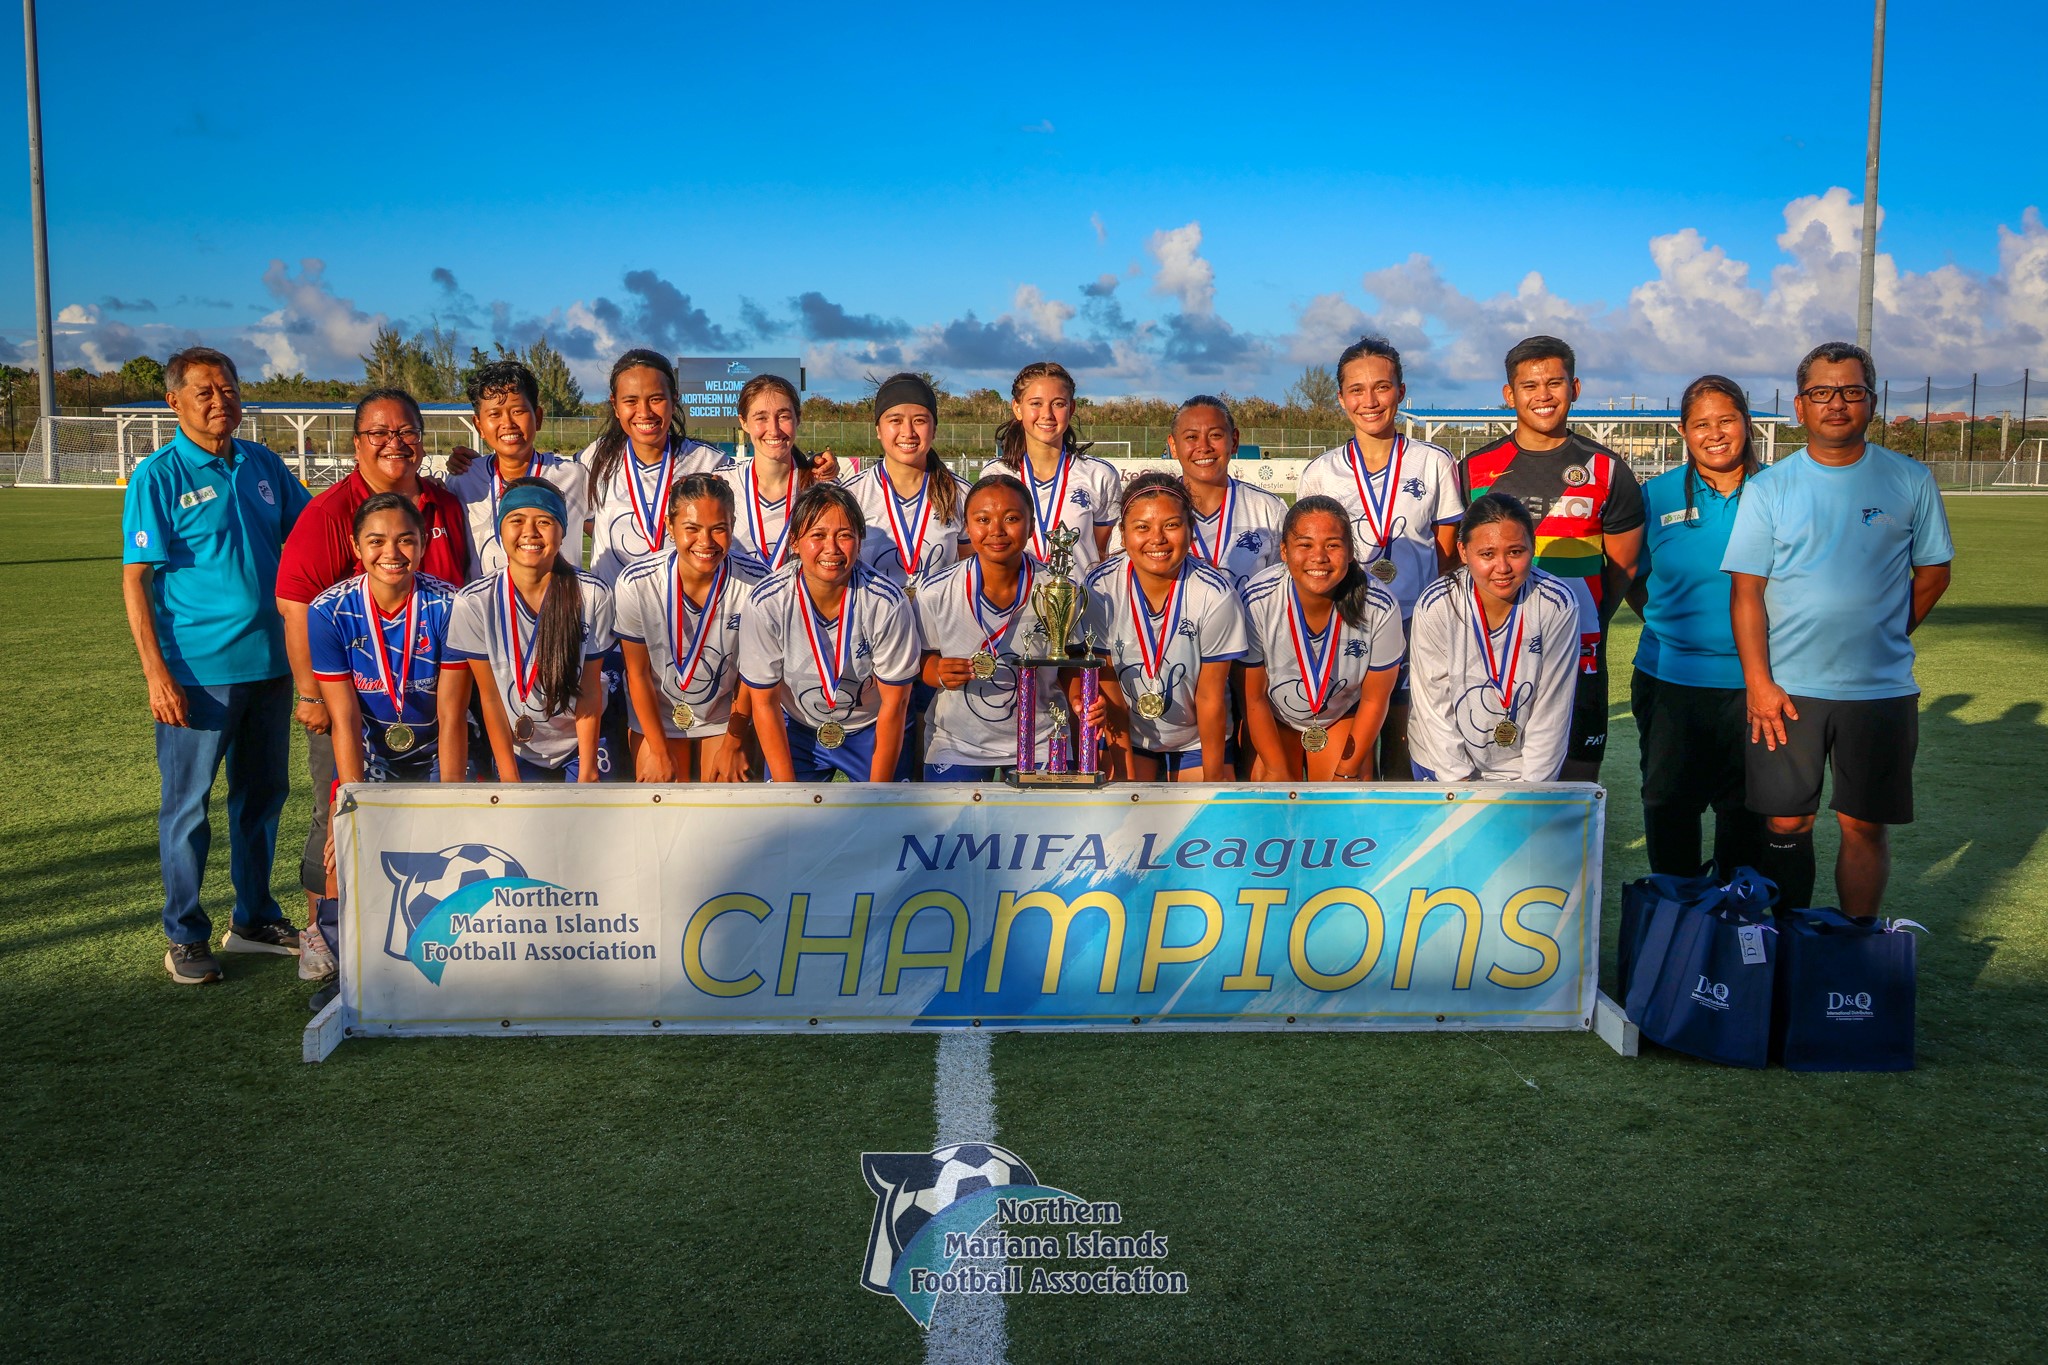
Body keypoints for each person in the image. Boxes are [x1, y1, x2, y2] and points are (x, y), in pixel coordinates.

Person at [1723, 341, 1953, 917]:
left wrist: (1888, 632)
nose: (1836, 404)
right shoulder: (1769, 487)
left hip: (1879, 690)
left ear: (1870, 402)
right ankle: (1785, 939)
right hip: (1788, 689)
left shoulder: (1909, 479)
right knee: (1786, 820)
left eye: (1851, 391)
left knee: (1863, 825)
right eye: (1822, 393)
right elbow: (1746, 591)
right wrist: (1759, 682)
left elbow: (1934, 573)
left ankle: (1854, 947)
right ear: (1800, 406)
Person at [122, 346, 311, 984]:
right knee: (188, 807)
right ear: (173, 402)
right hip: (198, 673)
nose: (219, 400)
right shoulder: (158, 475)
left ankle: (254, 918)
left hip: (272, 663)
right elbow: (136, 581)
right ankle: (185, 934)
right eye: (203, 391)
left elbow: (315, 526)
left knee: (262, 797)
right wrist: (156, 674)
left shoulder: (261, 462)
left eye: (227, 388)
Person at [275, 388, 470, 940]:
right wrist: (312, 695)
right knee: (334, 812)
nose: (394, 443)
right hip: (352, 701)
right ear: (357, 442)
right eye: (378, 433)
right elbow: (295, 606)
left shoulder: (444, 502)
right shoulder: (330, 511)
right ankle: (325, 934)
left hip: (435, 695)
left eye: (406, 431)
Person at [1458, 335, 1644, 782]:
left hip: (1581, 649)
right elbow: (1456, 560)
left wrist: (1584, 615)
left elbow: (1623, 568)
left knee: (1577, 781)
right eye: (1529, 385)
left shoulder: (1607, 469)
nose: (1543, 395)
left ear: (1575, 388)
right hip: (1494, 649)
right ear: (1509, 395)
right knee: (1492, 772)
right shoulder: (1473, 469)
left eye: (1554, 383)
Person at [304, 492, 464, 990]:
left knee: (453, 849)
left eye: (405, 540)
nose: (390, 552)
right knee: (341, 848)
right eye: (376, 541)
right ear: (356, 546)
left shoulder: (450, 604)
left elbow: (453, 714)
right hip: (370, 755)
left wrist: (451, 799)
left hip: (440, 750)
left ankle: (456, 955)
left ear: (422, 545)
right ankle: (344, 960)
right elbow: (344, 718)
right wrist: (353, 806)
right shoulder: (329, 611)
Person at [1297, 336, 1463, 780]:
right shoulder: (1320, 473)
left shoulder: (1434, 462)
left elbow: (1448, 558)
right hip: (1346, 621)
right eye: (1356, 389)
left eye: (1382, 387)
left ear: (1401, 393)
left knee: (1405, 742)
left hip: (1416, 626)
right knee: (1353, 749)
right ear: (1341, 398)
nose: (1369, 401)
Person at [1626, 374, 1767, 876]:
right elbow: (1631, 577)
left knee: (1748, 818)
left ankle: (1737, 932)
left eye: (1727, 420)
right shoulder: (1654, 495)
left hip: (1757, 688)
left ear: (1746, 423)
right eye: (1701, 423)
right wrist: (1676, 629)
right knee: (1668, 810)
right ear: (1683, 431)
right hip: (1670, 682)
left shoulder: (1780, 490)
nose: (1715, 433)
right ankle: (1677, 929)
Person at [739, 484, 921, 783]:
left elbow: (895, 702)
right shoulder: (767, 602)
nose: (832, 548)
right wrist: (788, 796)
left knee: (881, 824)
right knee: (791, 823)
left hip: (871, 726)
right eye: (818, 535)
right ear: (795, 542)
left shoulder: (886, 602)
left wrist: (879, 795)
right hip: (798, 727)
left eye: (845, 535)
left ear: (860, 541)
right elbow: (765, 702)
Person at [913, 474, 1090, 780]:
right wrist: (937, 670)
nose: (996, 530)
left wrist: (1078, 701)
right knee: (953, 829)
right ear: (967, 527)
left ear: (1032, 526)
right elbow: (922, 660)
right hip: (958, 742)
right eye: (983, 519)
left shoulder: (1058, 590)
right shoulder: (934, 591)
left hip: (1041, 740)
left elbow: (1071, 664)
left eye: (1011, 518)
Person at [1082, 472, 1252, 781]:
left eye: (1171, 525)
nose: (1157, 539)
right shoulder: (1100, 587)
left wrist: (1213, 783)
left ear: (1192, 528)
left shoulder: (1214, 593)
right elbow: (1109, 690)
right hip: (1131, 736)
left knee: (1201, 821)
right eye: (1142, 527)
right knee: (1124, 818)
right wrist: (1125, 773)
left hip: (1196, 739)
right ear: (1123, 532)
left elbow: (1210, 697)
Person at [442, 479, 614, 781]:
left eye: (545, 521)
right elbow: (491, 696)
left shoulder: (592, 594)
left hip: (582, 741)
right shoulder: (474, 601)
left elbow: (589, 688)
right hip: (515, 749)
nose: (530, 533)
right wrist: (509, 776)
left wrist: (587, 770)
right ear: (500, 530)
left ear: (562, 532)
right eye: (516, 520)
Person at [1408, 495, 1582, 783]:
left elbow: (1552, 707)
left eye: (1515, 552)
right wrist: (1460, 786)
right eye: (1487, 554)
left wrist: (1531, 791)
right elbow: (1433, 705)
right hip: (1442, 762)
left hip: (1520, 769)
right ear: (1463, 551)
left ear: (1533, 546)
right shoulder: (1437, 604)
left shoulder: (1556, 604)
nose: (1502, 567)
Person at [614, 475, 768, 782]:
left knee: (725, 800)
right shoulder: (637, 583)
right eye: (692, 529)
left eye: (718, 529)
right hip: (658, 716)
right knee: (661, 803)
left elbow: (753, 675)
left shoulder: (757, 582)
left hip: (725, 717)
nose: (706, 542)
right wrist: (658, 752)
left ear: (732, 525)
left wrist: (734, 743)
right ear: (670, 526)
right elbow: (638, 674)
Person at [1241, 496, 1405, 782]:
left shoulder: (1379, 606)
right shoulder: (1258, 600)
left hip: (1338, 715)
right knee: (1270, 797)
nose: (1319, 557)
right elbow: (1252, 697)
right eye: (1305, 545)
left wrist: (1346, 774)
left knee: (1346, 801)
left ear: (1351, 551)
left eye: (1332, 545)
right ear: (1283, 550)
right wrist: (1278, 771)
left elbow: (1375, 700)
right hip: (1274, 716)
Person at [585, 349, 733, 584]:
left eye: (656, 399)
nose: (644, 412)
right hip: (613, 615)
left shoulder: (709, 462)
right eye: (631, 401)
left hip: (685, 614)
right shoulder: (595, 458)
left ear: (674, 400)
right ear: (615, 405)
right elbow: (573, 513)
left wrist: (809, 467)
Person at [443, 360, 589, 576]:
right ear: (479, 425)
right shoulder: (463, 479)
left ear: (538, 418)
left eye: (518, 411)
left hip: (558, 605)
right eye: (494, 414)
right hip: (487, 607)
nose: (508, 423)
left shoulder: (574, 476)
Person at [991, 361, 1122, 575]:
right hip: (1017, 604)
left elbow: (1102, 552)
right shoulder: (996, 475)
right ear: (1017, 408)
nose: (1047, 414)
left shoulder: (1099, 475)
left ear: (1071, 409)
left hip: (1079, 604)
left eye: (1058, 404)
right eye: (1035, 403)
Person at [849, 372, 969, 588]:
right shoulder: (851, 495)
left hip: (939, 621)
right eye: (895, 420)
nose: (908, 432)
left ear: (934, 429)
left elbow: (972, 572)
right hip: (874, 622)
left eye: (920, 421)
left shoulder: (962, 494)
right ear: (878, 429)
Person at [1167, 395, 1285, 589]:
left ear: (1234, 440)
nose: (1204, 447)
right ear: (1173, 445)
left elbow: (1281, 593)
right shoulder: (1146, 511)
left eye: (1215, 435)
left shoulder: (1269, 510)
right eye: (1191, 437)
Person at [722, 373, 836, 571]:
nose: (774, 430)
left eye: (783, 417)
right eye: (761, 418)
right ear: (744, 422)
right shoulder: (723, 485)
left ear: (798, 419)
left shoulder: (824, 490)